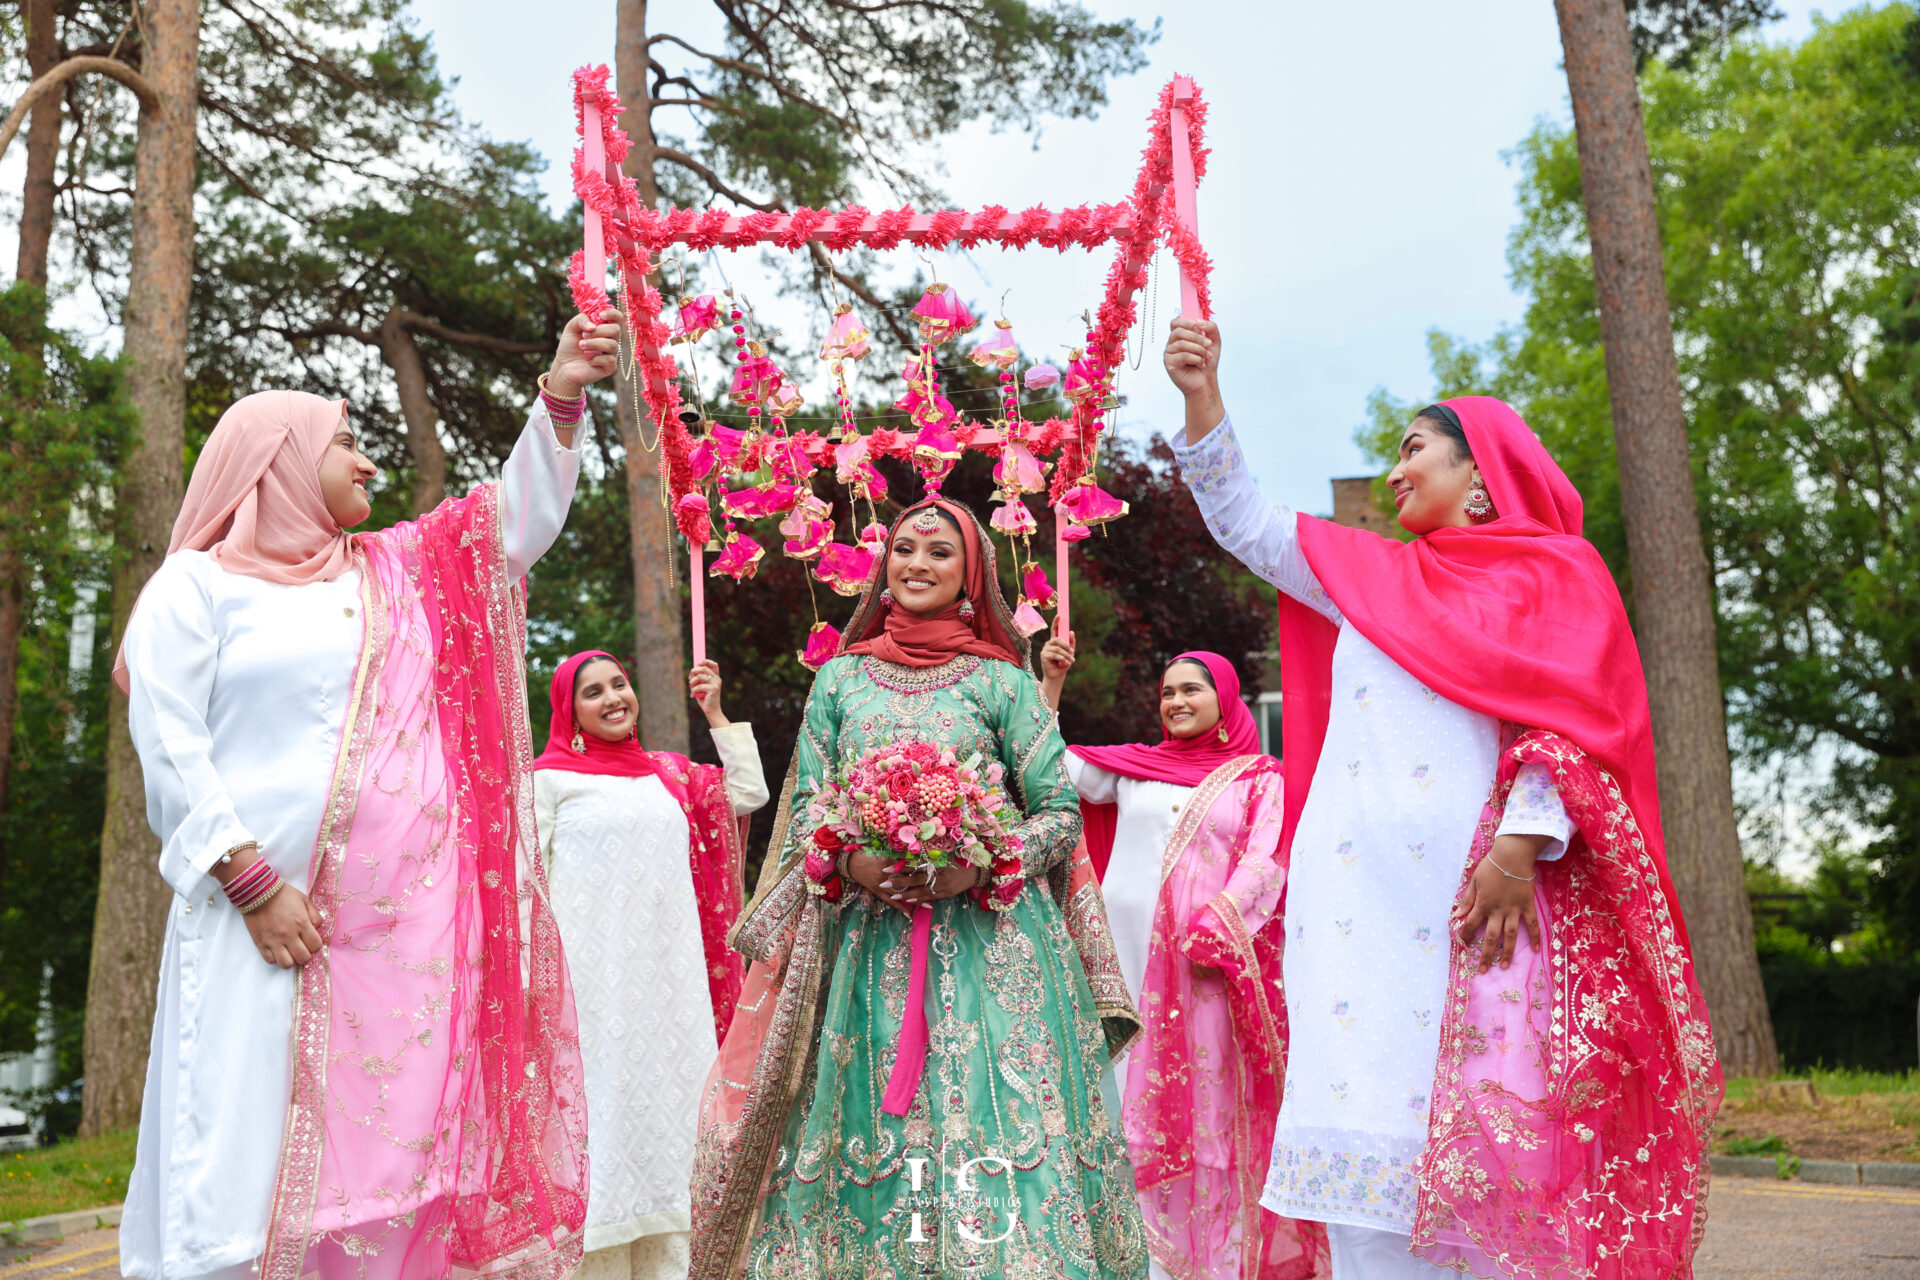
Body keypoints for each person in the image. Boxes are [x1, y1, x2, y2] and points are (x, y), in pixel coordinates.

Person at [1158, 317, 1723, 1279]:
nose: (1393, 474)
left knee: (1492, 1163)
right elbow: (1246, 521)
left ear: (1483, 474)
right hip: (1354, 920)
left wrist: (1517, 852)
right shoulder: (1370, 580)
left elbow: (1577, 728)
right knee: (1368, 1163)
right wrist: (1203, 396)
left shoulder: (1558, 578)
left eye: (1414, 449)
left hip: (1485, 915)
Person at [115, 309, 623, 1280]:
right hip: (262, 923)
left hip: (404, 947)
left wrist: (561, 392)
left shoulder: (398, 571)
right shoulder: (196, 587)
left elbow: (512, 523)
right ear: (276, 458)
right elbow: (169, 738)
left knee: (394, 1183)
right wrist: (252, 880)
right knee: (244, 1163)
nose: (368, 461)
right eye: (345, 441)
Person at [686, 496, 1151, 1280]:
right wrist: (846, 858)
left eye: (940, 554)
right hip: (871, 944)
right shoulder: (839, 681)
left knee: (992, 1112)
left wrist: (982, 860)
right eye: (904, 549)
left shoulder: (1001, 683)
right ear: (883, 565)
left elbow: (1058, 812)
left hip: (996, 944)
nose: (917, 565)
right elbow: (807, 811)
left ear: (970, 574)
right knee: (874, 1123)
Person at [1039, 641, 1330, 1280]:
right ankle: (1136, 1254)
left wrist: (1219, 926)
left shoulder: (1260, 776)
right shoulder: (1134, 769)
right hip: (1122, 953)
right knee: (1122, 1090)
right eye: (1168, 692)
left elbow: (1268, 858)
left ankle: (1215, 1256)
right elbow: (1044, 769)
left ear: (1223, 700)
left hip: (1206, 966)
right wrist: (1051, 683)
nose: (1176, 702)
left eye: (1190, 690)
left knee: (1208, 1098)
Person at [531, 651, 770, 1280]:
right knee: (600, 1118)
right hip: (588, 989)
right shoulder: (547, 781)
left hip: (672, 986)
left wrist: (715, 711)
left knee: (673, 1115)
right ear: (569, 711)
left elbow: (748, 791)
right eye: (592, 692)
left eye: (619, 684)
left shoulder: (670, 776)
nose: (613, 698)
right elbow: (524, 886)